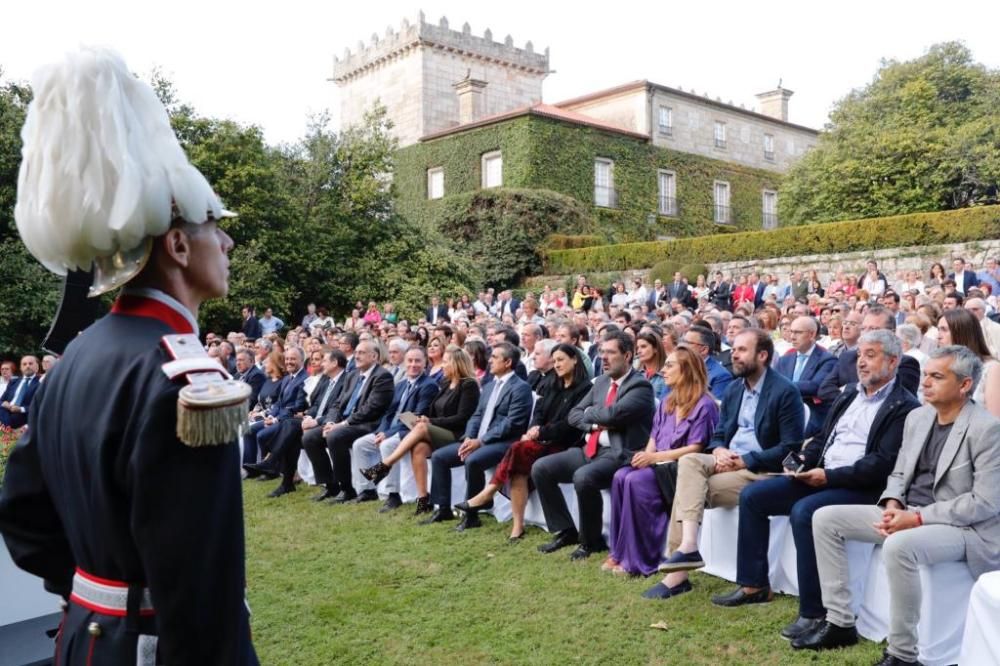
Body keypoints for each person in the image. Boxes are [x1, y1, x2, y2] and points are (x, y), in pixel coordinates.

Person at [0, 48, 257, 663]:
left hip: (84, 640)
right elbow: (200, 586)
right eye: (212, 224)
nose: (224, 240)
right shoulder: (186, 377)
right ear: (175, 243)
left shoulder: (78, 357)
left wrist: (92, 589)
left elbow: (23, 514)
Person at [795, 346, 1000, 665]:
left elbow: (984, 503)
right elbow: (900, 472)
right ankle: (840, 622)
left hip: (963, 528)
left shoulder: (987, 429)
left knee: (900, 546)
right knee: (825, 518)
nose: (925, 382)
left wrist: (916, 518)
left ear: (965, 385)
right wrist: (892, 502)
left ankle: (903, 654)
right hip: (908, 512)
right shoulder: (918, 416)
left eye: (937, 376)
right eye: (926, 374)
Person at [713, 331, 919, 640]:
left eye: (871, 355)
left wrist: (829, 477)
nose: (861, 361)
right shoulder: (850, 393)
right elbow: (822, 437)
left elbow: (881, 464)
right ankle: (754, 584)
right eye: (860, 354)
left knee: (805, 511)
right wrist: (801, 460)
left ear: (893, 361)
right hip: (824, 474)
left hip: (861, 487)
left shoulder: (903, 406)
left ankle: (814, 611)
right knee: (755, 496)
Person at [651, 329, 803, 599]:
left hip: (762, 470)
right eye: (733, 348)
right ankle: (687, 546)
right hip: (728, 461)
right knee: (689, 463)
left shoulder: (785, 392)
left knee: (688, 488)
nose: (734, 353)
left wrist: (743, 461)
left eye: (742, 349)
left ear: (763, 355)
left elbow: (789, 448)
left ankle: (679, 572)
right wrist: (720, 450)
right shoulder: (735, 389)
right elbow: (719, 433)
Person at [534, 331, 655, 560]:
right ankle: (567, 530)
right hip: (590, 448)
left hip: (618, 453)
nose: (604, 358)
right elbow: (574, 414)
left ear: (627, 355)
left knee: (583, 477)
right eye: (602, 352)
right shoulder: (600, 382)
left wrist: (592, 414)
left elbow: (613, 415)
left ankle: (591, 541)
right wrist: (591, 425)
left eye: (611, 352)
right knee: (542, 468)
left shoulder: (640, 387)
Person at [455, 344, 591, 540]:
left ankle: (488, 493)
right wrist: (533, 429)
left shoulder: (585, 389)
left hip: (564, 443)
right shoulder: (552, 383)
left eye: (561, 360)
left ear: (575, 359)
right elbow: (539, 412)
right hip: (539, 441)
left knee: (518, 449)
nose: (557, 365)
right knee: (518, 465)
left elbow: (571, 424)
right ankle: (517, 527)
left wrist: (539, 431)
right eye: (555, 361)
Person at [607, 347, 719, 578]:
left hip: (683, 467)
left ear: (686, 370)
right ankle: (619, 552)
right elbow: (654, 438)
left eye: (670, 365)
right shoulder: (667, 402)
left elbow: (696, 448)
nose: (663, 370)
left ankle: (642, 560)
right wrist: (645, 458)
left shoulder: (704, 405)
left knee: (637, 482)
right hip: (659, 462)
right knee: (621, 476)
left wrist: (654, 458)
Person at [423, 342, 533, 529]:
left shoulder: (520, 388)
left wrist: (481, 441)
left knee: (472, 460)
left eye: (495, 357)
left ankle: (472, 514)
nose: (490, 360)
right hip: (478, 439)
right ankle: (442, 509)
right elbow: (476, 415)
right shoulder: (489, 386)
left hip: (503, 442)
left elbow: (512, 423)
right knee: (439, 457)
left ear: (507, 362)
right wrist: (468, 437)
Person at [362, 345, 480, 515]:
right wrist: (420, 417)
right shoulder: (446, 383)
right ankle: (423, 501)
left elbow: (462, 418)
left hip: (458, 434)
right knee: (418, 449)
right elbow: (433, 411)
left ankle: (386, 464)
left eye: (446, 362)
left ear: (456, 364)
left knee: (422, 427)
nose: (442, 366)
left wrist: (429, 421)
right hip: (439, 432)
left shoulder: (469, 385)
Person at [245, 350, 350, 497]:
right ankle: (287, 482)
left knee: (292, 428)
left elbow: (339, 408)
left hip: (332, 422)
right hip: (313, 420)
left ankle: (273, 463)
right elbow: (315, 405)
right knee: (291, 431)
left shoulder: (347, 380)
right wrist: (308, 416)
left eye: (324, 360)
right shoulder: (326, 379)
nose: (320, 363)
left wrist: (317, 421)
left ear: (335, 363)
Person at [303, 340, 395, 503]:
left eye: (361, 353)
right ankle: (331, 486)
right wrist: (330, 422)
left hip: (367, 424)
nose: (357, 356)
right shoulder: (352, 375)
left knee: (335, 436)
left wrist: (341, 424)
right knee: (309, 437)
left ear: (374, 356)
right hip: (344, 422)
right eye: (357, 352)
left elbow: (371, 409)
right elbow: (337, 403)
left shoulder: (382, 376)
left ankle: (347, 489)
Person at [350, 346, 440, 511]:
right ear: (404, 363)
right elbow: (388, 413)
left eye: (418, 361)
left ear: (425, 362)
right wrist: (381, 432)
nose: (413, 364)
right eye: (410, 361)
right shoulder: (400, 385)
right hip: (389, 430)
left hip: (409, 431)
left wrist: (388, 434)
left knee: (387, 445)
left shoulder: (429, 385)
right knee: (360, 444)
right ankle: (367, 490)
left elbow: (414, 418)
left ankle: (393, 495)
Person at [774, 316, 836, 437]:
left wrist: (781, 386)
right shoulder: (784, 360)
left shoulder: (827, 359)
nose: (792, 337)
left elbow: (815, 386)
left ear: (812, 334)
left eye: (797, 332)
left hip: (810, 415)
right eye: (791, 332)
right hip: (780, 412)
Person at [937, 308, 1000, 417]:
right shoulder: (939, 366)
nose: (938, 336)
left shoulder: (991, 369)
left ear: (962, 332)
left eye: (944, 330)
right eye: (938, 330)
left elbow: (994, 420)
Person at [0, 355, 41, 429]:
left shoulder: (40, 384)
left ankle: (6, 428)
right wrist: (3, 403)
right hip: (5, 410)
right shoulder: (13, 382)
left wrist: (21, 409)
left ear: (37, 367)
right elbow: (2, 400)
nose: (27, 366)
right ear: (21, 368)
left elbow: (38, 406)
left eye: (30, 363)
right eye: (24, 364)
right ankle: (6, 429)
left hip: (22, 414)